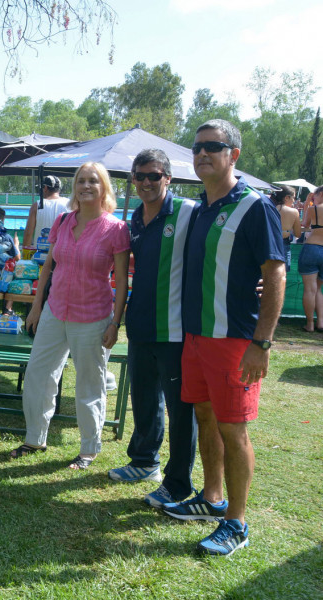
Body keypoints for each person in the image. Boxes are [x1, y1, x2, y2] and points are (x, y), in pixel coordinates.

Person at [162, 119, 285, 557]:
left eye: (213, 147)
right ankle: (212, 498)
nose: (202, 154)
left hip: (234, 341)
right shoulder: (203, 208)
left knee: (235, 430)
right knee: (206, 418)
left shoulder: (254, 206)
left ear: (234, 155)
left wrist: (262, 342)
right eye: (196, 148)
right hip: (197, 338)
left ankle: (237, 522)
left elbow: (275, 273)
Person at [13, 162, 130, 469]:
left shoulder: (116, 229)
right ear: (74, 187)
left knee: (89, 384)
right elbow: (49, 266)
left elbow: (120, 281)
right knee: (39, 374)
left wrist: (116, 323)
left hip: (92, 316)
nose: (86, 186)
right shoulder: (64, 221)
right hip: (55, 310)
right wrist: (37, 308)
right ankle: (34, 438)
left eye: (93, 181)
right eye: (81, 181)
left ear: (103, 187)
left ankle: (89, 449)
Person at [106, 149, 198, 509]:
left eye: (153, 176)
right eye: (139, 176)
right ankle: (145, 462)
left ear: (168, 178)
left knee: (180, 409)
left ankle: (178, 484)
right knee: (143, 398)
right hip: (141, 324)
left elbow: (221, 249)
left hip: (176, 330)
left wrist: (255, 280)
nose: (146, 182)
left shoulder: (188, 212)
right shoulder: (135, 218)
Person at [298, 185, 323, 332]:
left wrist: (308, 204)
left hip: (312, 247)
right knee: (318, 289)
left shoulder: (314, 209)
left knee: (309, 289)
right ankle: (320, 322)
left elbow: (304, 225)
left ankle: (310, 324)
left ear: (319, 195)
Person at [22, 174, 70, 248]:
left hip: (40, 255)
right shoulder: (69, 204)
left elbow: (28, 233)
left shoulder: (37, 205)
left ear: (45, 188)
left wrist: (25, 253)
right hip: (61, 254)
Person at [269, 185, 302, 272]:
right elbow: (298, 234)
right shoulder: (294, 212)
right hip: (284, 244)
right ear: (287, 198)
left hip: (267, 243)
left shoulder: (268, 207)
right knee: (282, 274)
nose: (294, 201)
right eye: (293, 198)